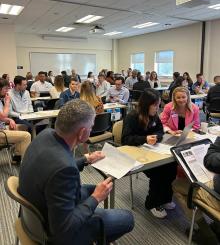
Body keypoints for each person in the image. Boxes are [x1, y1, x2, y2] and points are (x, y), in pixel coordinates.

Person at [18, 99, 134, 244]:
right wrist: (96, 199)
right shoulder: (64, 169)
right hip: (54, 231)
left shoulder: (45, 134)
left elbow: (55, 164)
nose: (92, 130)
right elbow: (63, 230)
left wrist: (85, 159)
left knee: (92, 189)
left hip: (36, 212)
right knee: (128, 218)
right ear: (82, 133)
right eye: (91, 127)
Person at [121, 88, 177, 218]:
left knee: (171, 166)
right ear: (146, 104)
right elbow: (125, 139)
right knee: (159, 171)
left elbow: (160, 131)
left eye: (158, 105)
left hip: (152, 151)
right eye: (155, 105)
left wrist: (155, 136)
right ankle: (152, 203)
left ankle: (165, 198)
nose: (158, 108)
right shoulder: (132, 117)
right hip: (136, 153)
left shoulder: (154, 115)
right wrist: (144, 139)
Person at [172, 137, 220, 244]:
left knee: (177, 185)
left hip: (217, 195)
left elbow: (209, 160)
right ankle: (217, 227)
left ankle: (209, 236)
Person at [0, 78, 31, 159]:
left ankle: (17, 156)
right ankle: (25, 162)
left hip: (2, 127)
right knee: (26, 136)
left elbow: (2, 118)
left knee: (24, 127)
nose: (7, 91)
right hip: (1, 132)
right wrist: (7, 102)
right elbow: (4, 116)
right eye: (5, 88)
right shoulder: (4, 98)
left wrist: (10, 120)